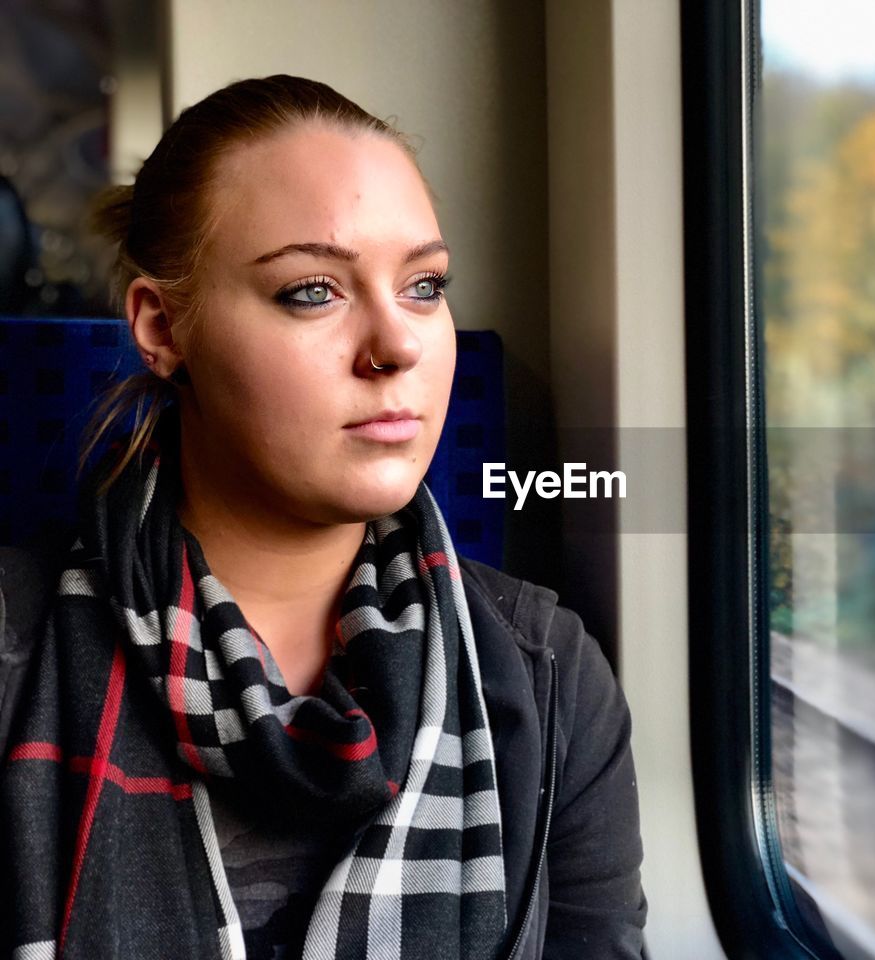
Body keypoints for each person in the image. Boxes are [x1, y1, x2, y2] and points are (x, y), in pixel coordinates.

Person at [0, 75, 646, 960]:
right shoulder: (13, 651)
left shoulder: (550, 678)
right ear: (161, 328)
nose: (398, 346)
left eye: (425, 286)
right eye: (313, 291)